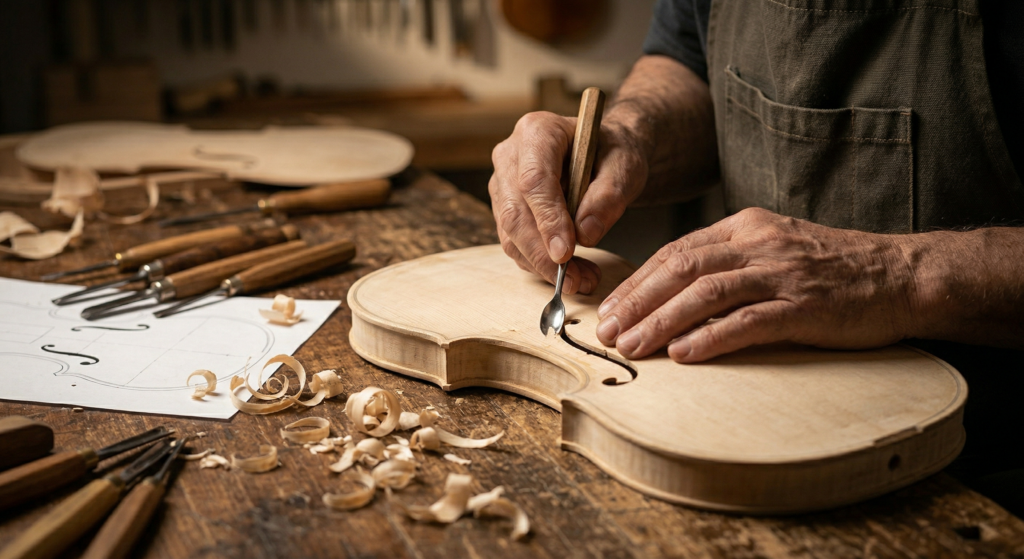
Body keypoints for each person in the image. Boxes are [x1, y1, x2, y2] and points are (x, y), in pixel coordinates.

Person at [489, 0, 1024, 512]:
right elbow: (687, 61)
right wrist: (630, 134)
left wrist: (898, 276)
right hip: (744, 429)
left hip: (984, 461)